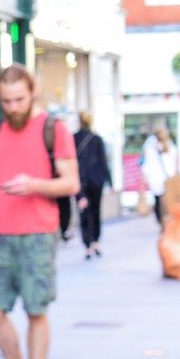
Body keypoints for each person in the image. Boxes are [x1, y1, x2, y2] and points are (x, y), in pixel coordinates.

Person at [0, 64, 79, 359]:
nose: (13, 107)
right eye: (6, 101)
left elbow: (71, 183)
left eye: (19, 99)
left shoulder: (54, 129)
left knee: (36, 310)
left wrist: (34, 185)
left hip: (38, 234)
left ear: (33, 93)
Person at [73, 111, 110, 260]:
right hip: (97, 180)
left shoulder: (73, 138)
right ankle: (96, 241)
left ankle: (87, 244)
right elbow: (103, 162)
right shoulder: (97, 139)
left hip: (81, 181)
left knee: (84, 213)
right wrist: (110, 181)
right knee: (96, 211)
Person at [140, 126, 178, 226]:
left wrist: (144, 177)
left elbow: (147, 164)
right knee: (166, 201)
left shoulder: (151, 147)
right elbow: (173, 163)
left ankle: (161, 221)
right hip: (167, 178)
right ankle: (166, 221)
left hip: (156, 178)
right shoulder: (170, 146)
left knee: (158, 200)